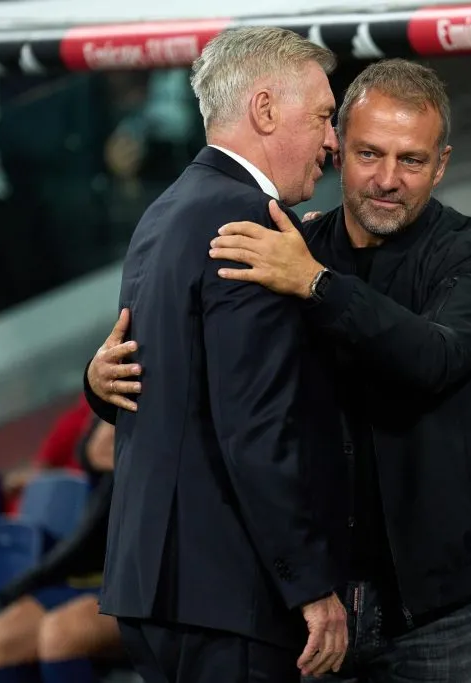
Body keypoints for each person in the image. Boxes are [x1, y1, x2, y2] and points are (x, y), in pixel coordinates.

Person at [87, 58, 471, 682]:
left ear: (443, 163)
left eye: (412, 160)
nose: (388, 179)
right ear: (338, 149)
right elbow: (217, 377)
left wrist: (317, 286)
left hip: (431, 607)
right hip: (310, 600)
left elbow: (435, 358)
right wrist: (102, 380)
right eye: (370, 154)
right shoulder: (287, 244)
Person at [92, 26, 350, 683]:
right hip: (228, 595)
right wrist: (308, 581)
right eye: (323, 116)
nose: (333, 143)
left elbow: (145, 373)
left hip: (151, 587)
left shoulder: (165, 209)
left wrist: (93, 384)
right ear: (265, 110)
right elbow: (256, 425)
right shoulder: (250, 226)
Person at [0, 420, 122, 683]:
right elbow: (92, 449)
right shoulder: (124, 386)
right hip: (95, 569)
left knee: (61, 635)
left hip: (155, 575)